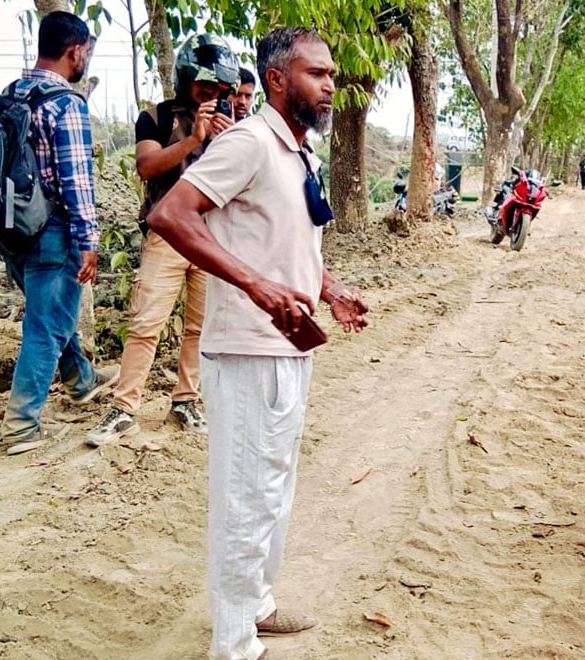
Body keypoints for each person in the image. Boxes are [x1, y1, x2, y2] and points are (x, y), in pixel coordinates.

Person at [146, 27, 369, 660]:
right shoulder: (248, 143)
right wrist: (254, 284)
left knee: (274, 486)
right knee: (245, 496)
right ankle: (233, 644)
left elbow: (285, 240)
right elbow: (170, 215)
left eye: (331, 75)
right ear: (276, 79)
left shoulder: (298, 152)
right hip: (247, 349)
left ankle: (256, 606)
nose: (329, 85)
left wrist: (329, 289)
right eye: (315, 74)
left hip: (289, 345)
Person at [87, 35, 239, 446]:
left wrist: (229, 140)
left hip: (212, 238)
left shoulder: (233, 125)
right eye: (204, 84)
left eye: (220, 87)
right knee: (146, 324)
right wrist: (194, 140)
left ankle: (186, 400)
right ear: (185, 78)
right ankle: (124, 408)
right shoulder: (155, 117)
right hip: (167, 235)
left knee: (201, 327)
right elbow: (147, 166)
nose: (212, 92)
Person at [0, 11, 118, 456]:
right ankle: (20, 425)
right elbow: (76, 181)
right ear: (74, 51)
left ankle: (80, 379)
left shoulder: (11, 95)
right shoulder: (66, 104)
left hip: (13, 230)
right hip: (52, 231)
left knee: (48, 312)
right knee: (45, 326)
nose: (85, 59)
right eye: (85, 51)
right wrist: (89, 242)